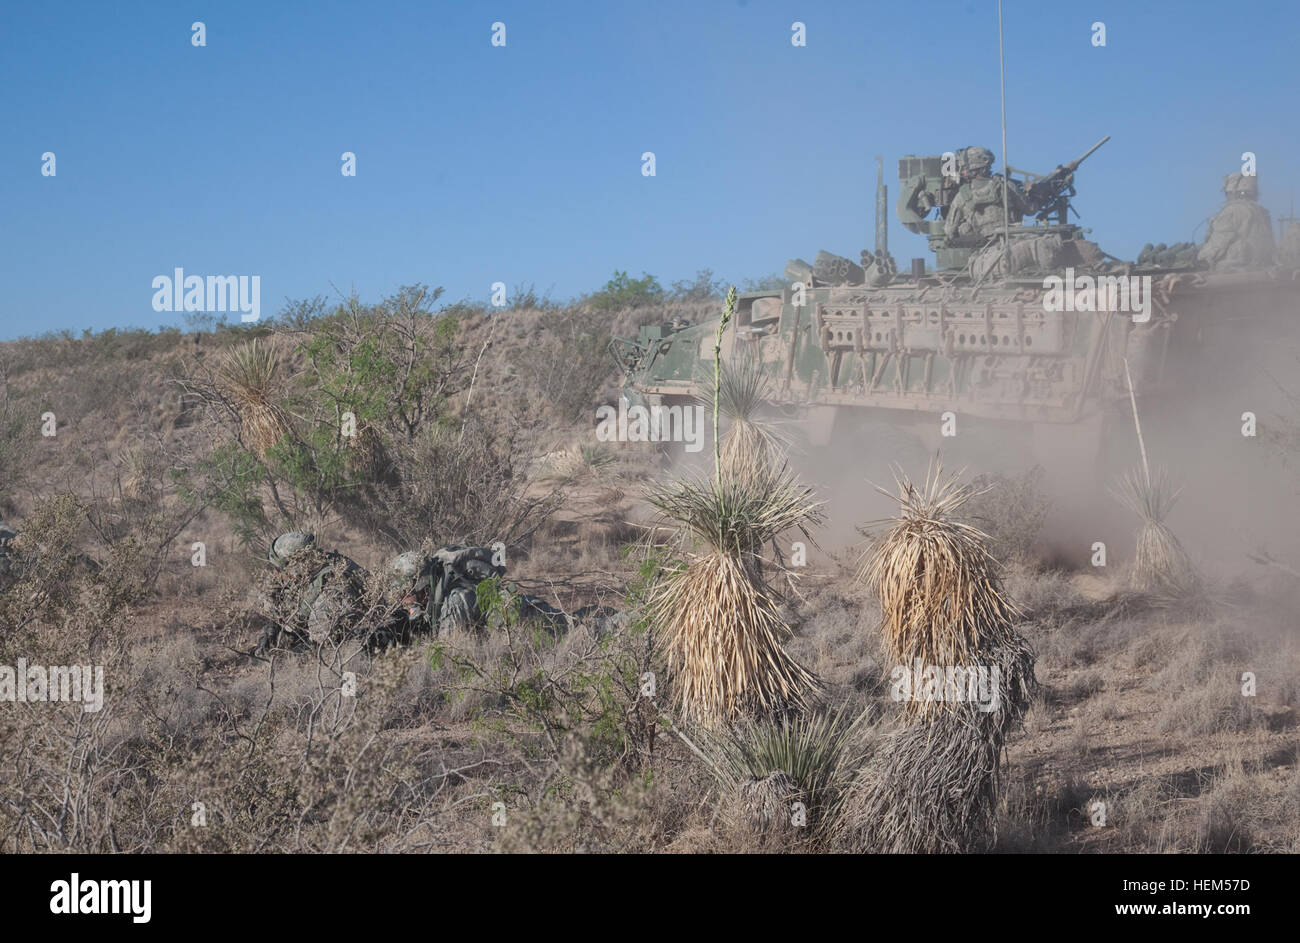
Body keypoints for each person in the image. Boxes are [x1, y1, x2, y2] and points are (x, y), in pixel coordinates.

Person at [255, 532, 365, 654]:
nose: (276, 574)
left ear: (296, 564)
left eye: (279, 569)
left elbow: (323, 645)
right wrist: (273, 627)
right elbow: (279, 601)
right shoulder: (307, 572)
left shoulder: (334, 585)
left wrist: (290, 651)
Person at [1198, 173, 1275, 270]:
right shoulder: (1262, 212)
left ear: (1233, 192)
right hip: (1260, 267)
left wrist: (1202, 258)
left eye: (1227, 193)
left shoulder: (1232, 211)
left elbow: (1219, 242)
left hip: (1235, 268)